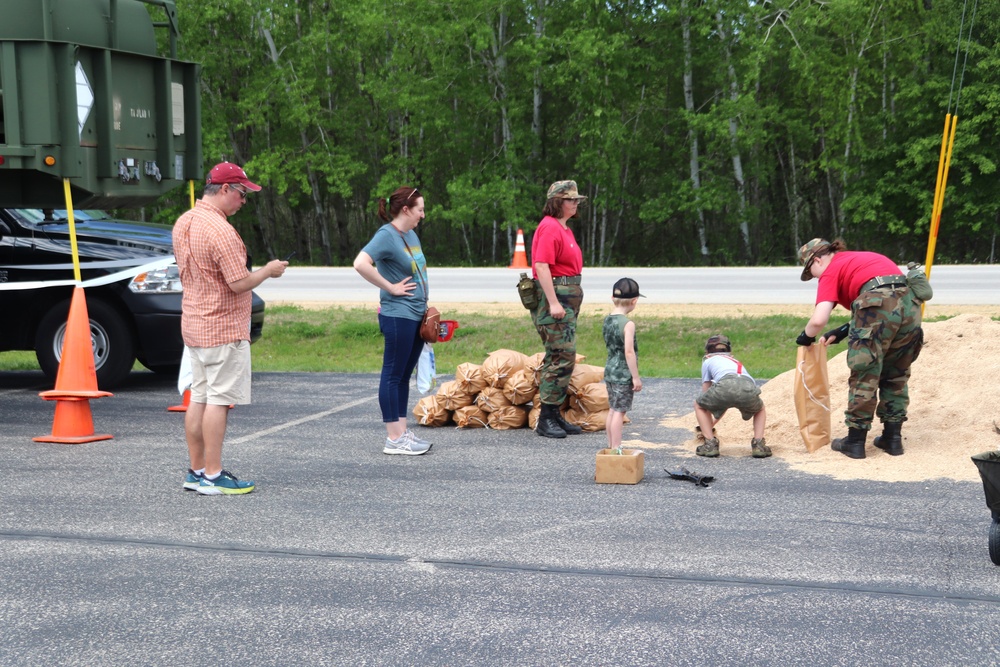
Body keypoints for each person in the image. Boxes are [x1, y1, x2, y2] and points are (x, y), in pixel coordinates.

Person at [173, 161, 288, 495]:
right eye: (241, 193)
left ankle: (196, 471)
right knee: (219, 401)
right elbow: (239, 283)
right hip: (222, 327)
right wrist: (268, 270)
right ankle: (213, 474)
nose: (243, 201)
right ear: (224, 190)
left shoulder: (185, 221)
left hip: (195, 323)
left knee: (199, 397)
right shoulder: (221, 231)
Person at [796, 238, 923, 459]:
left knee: (865, 372)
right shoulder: (864, 258)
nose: (815, 277)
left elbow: (818, 320)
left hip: (877, 305)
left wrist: (806, 337)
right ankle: (892, 440)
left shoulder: (830, 270)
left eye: (812, 272)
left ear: (816, 260)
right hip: (910, 307)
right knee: (896, 373)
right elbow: (887, 300)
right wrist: (844, 330)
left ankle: (855, 442)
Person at [353, 186, 433, 456]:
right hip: (397, 315)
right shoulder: (386, 235)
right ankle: (393, 438)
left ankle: (402, 433)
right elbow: (360, 263)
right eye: (420, 209)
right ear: (406, 209)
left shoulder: (410, 235)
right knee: (392, 374)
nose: (423, 214)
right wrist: (390, 287)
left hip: (415, 314)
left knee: (403, 376)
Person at [530, 180, 587, 438]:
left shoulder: (563, 228)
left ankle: (554, 414)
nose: (575, 203)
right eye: (570, 199)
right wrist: (553, 302)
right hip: (556, 298)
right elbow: (542, 266)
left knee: (561, 356)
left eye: (576, 199)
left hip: (567, 297)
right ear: (556, 202)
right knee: (561, 355)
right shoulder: (549, 228)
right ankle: (546, 417)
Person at [694, 334, 770, 459]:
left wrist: (706, 427)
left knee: (699, 405)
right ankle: (759, 444)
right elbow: (726, 402)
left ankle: (710, 444)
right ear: (730, 353)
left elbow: (706, 395)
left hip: (725, 383)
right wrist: (713, 422)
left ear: (707, 353)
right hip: (748, 386)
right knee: (760, 409)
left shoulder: (708, 361)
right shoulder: (735, 362)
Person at [603, 278, 643, 450]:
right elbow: (629, 352)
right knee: (620, 412)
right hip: (622, 373)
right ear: (634, 301)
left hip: (610, 369)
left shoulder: (607, 320)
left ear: (613, 297)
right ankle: (616, 449)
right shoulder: (628, 324)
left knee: (612, 410)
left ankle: (611, 446)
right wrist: (635, 377)